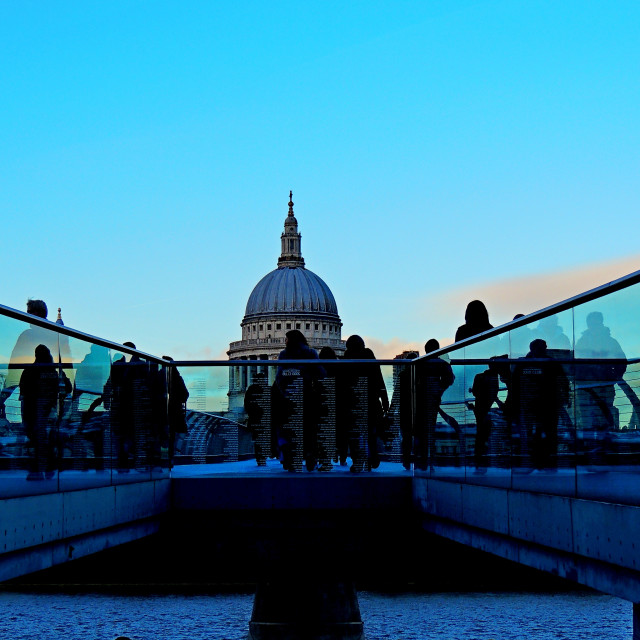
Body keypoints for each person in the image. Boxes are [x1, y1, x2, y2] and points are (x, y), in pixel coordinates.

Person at [575, 312, 626, 466]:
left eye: (595, 322)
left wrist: (612, 376)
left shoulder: (609, 342)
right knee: (590, 421)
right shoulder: (584, 341)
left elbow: (621, 361)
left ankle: (601, 453)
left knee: (602, 419)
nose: (593, 325)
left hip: (602, 386)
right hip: (589, 387)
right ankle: (593, 453)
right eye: (592, 322)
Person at [511, 339, 570, 470]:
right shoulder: (544, 363)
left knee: (545, 432)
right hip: (536, 404)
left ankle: (543, 461)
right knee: (539, 433)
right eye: (542, 347)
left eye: (544, 347)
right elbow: (515, 384)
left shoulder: (541, 363)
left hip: (543, 404)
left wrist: (565, 395)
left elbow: (563, 380)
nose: (544, 349)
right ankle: (540, 461)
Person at [19, 344, 72, 480]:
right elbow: (68, 388)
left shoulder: (28, 371)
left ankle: (37, 470)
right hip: (51, 411)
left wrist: (24, 417)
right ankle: (49, 468)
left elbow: (24, 395)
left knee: (36, 440)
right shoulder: (54, 372)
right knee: (47, 440)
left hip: (33, 411)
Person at [272, 330, 322, 471]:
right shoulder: (311, 353)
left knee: (289, 430)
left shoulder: (284, 355)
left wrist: (285, 393)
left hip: (290, 397)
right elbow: (321, 374)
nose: (285, 342)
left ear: (291, 340)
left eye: (286, 339)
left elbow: (280, 378)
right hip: (307, 396)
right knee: (309, 428)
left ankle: (290, 458)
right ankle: (310, 455)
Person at [342, 335, 389, 472]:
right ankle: (372, 457)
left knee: (355, 434)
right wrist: (384, 399)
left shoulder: (346, 358)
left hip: (353, 401)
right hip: (370, 400)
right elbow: (378, 377)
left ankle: (358, 461)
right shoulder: (368, 355)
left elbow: (344, 384)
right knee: (370, 432)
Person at [414, 339, 455, 470]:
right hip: (431, 399)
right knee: (428, 430)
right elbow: (450, 378)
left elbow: (414, 381)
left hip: (422, 400)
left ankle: (424, 460)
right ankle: (428, 460)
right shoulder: (441, 364)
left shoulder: (420, 363)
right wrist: (439, 389)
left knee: (421, 431)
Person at [163, 356, 190, 461]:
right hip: (174, 412)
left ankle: (162, 461)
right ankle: (169, 460)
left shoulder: (158, 375)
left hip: (162, 413)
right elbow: (185, 394)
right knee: (172, 437)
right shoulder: (177, 378)